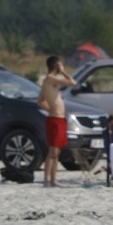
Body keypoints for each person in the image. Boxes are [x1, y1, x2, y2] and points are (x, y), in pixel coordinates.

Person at [37, 55, 76, 187]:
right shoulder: (50, 78)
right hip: (55, 120)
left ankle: (53, 180)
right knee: (53, 151)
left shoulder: (50, 82)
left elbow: (40, 101)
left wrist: (50, 109)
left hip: (59, 119)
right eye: (60, 64)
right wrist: (63, 71)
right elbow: (73, 82)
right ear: (56, 65)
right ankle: (46, 180)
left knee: (57, 152)